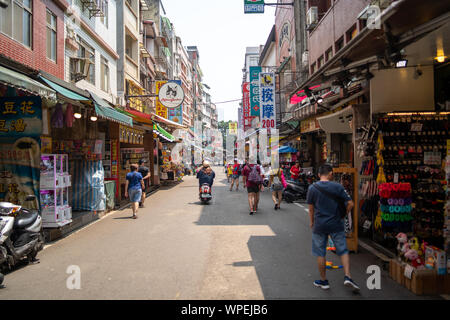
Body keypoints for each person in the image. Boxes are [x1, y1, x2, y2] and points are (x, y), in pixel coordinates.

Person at [306, 164, 359, 291]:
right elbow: (350, 204)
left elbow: (311, 209)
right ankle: (347, 276)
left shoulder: (312, 188)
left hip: (320, 225)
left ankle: (324, 281)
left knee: (320, 253)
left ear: (319, 175)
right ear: (330, 173)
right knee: (343, 250)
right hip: (336, 224)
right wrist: (343, 215)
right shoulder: (337, 186)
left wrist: (312, 222)